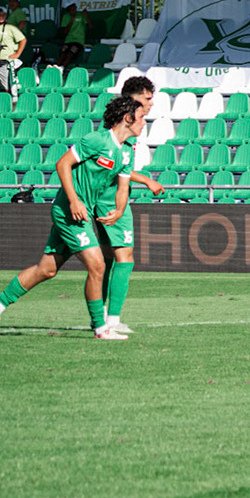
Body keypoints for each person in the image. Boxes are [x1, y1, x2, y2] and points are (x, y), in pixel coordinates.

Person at [0, 95, 145, 341]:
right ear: (127, 118)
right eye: (141, 117)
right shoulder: (96, 140)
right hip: (68, 211)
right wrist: (73, 199)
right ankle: (101, 329)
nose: (144, 122)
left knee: (46, 269)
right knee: (98, 264)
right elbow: (63, 164)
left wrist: (119, 211)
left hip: (82, 213)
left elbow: (123, 188)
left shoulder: (126, 152)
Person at [98, 75, 167, 336]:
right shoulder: (127, 123)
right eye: (147, 98)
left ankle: (102, 317)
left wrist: (143, 179)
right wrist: (147, 180)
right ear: (134, 98)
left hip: (100, 194)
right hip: (112, 197)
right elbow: (117, 166)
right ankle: (112, 319)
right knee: (124, 259)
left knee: (104, 261)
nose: (151, 104)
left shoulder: (119, 123)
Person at [0, 4, 27, 102]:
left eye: (3, 15)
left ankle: (10, 103)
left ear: (6, 16)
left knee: (8, 87)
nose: (1, 17)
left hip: (5, 60)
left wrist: (17, 54)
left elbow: (23, 40)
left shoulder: (11, 27)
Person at [58, 3, 88, 69]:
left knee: (70, 53)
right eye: (73, 9)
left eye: (75, 8)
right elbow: (65, 32)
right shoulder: (66, 16)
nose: (75, 10)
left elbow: (90, 26)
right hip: (68, 40)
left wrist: (86, 15)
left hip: (78, 41)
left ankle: (62, 68)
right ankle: (55, 68)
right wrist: (71, 20)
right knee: (63, 53)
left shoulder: (81, 15)